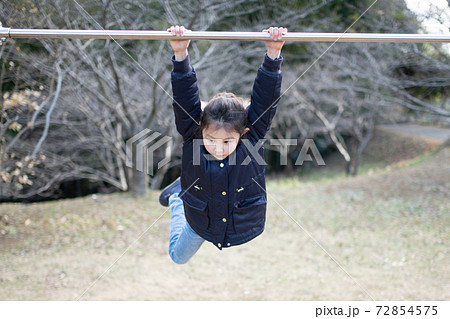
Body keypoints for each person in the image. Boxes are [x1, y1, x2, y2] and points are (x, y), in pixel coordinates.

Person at [160, 25, 287, 264]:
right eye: (211, 140)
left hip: (238, 220)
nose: (218, 148)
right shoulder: (193, 134)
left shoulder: (252, 137)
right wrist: (180, 54)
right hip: (201, 217)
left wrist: (273, 53)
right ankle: (177, 197)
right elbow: (185, 99)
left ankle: (181, 191)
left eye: (227, 141)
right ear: (200, 132)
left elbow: (265, 101)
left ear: (243, 134)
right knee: (178, 256)